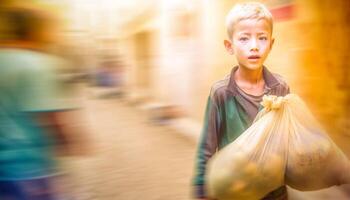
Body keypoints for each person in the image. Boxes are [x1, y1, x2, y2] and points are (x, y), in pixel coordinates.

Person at [192, 2, 290, 200]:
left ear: (271, 44)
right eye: (244, 38)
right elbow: (207, 147)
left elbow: (286, 139)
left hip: (273, 191)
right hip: (235, 191)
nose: (254, 46)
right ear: (229, 46)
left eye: (262, 38)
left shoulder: (281, 88)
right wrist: (202, 189)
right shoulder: (221, 93)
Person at [0, 6, 81, 199]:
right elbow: (48, 116)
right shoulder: (38, 64)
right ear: (37, 31)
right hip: (27, 165)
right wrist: (69, 141)